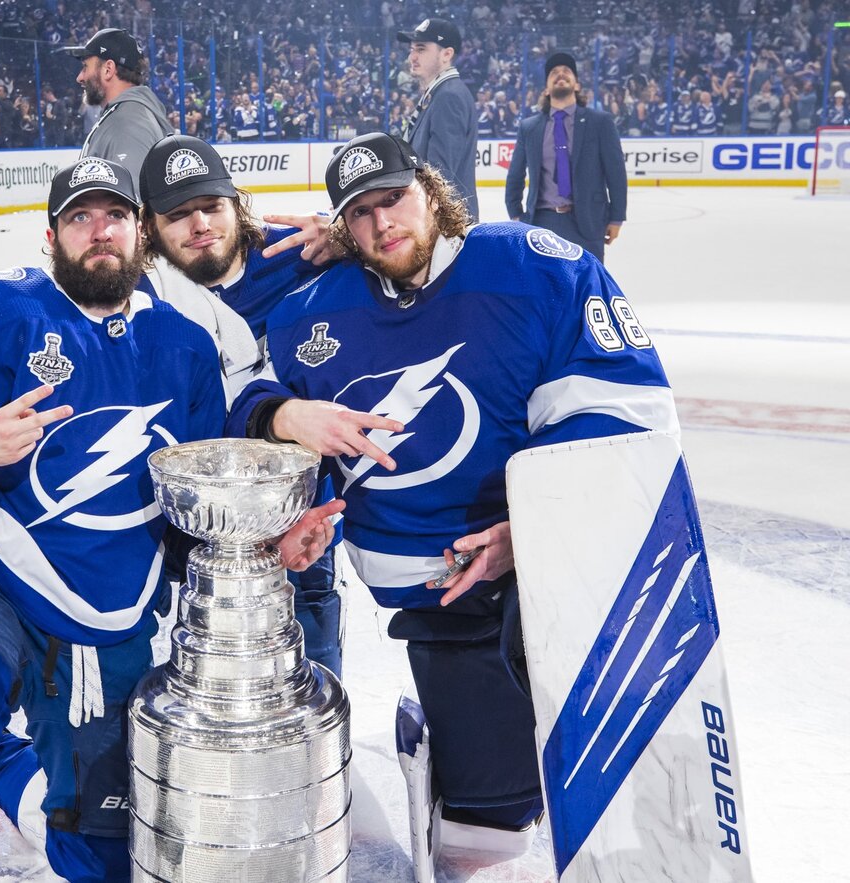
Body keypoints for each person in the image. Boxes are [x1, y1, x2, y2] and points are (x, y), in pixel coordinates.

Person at [0, 157, 342, 883]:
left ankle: (13, 769)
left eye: (115, 216)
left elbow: (192, 518)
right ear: (52, 234)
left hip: (112, 617)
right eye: (80, 218)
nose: (101, 233)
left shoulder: (184, 346)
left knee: (102, 860)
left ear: (139, 232)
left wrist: (270, 547)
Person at [228, 132, 678, 879]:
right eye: (360, 213)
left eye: (394, 199)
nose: (381, 224)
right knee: (490, 835)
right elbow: (251, 396)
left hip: (561, 570)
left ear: (430, 192)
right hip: (438, 596)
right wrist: (282, 420)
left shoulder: (533, 268)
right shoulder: (312, 313)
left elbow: (627, 412)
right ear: (342, 226)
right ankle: (454, 765)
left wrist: (532, 530)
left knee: (605, 781)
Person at [136, 133, 348, 677]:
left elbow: (411, 252)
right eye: (179, 215)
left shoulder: (299, 254)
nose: (201, 224)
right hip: (201, 524)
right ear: (151, 228)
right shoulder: (139, 293)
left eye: (212, 206)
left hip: (303, 515)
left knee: (313, 670)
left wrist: (346, 233)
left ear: (237, 203)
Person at [504, 52, 627, 263]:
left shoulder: (600, 123)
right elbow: (515, 175)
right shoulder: (529, 128)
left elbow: (615, 173)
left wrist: (616, 218)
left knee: (585, 290)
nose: (560, 74)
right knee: (544, 290)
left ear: (577, 85)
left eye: (566, 71)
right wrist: (516, 216)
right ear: (546, 88)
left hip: (588, 222)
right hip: (541, 223)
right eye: (554, 72)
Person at [64, 28, 172, 194]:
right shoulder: (127, 114)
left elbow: (133, 207)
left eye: (85, 67)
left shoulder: (128, 123)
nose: (80, 77)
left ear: (108, 69)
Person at [397, 17, 478, 220]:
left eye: (421, 49)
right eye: (412, 49)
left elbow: (439, 175)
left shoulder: (449, 96)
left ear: (447, 54)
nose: (412, 57)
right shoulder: (438, 94)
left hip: (444, 225)